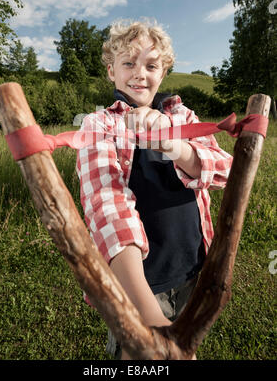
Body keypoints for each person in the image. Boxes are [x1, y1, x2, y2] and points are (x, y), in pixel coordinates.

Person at [75, 20, 233, 360]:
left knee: (184, 348)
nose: (139, 74)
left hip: (193, 271)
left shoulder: (182, 116)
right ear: (110, 71)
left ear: (164, 71)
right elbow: (108, 206)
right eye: (128, 63)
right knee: (141, 356)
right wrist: (147, 311)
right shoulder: (100, 125)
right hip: (138, 284)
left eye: (151, 65)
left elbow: (226, 171)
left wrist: (176, 146)